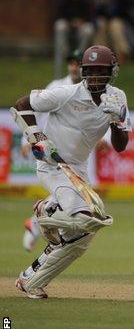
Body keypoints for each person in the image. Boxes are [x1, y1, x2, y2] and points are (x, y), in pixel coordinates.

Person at [13, 45, 131, 299]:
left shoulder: (118, 98)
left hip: (77, 170)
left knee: (82, 237)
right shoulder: (66, 93)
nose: (97, 78)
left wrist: (116, 121)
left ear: (112, 72)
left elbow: (121, 146)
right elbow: (22, 104)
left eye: (102, 72)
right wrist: (37, 137)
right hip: (52, 165)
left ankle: (31, 279)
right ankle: (46, 211)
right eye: (92, 72)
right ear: (83, 72)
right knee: (86, 219)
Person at [21, 50, 84, 252]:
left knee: (78, 194)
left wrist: (106, 140)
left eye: (78, 63)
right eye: (71, 63)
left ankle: (36, 222)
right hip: (54, 147)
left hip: (80, 150)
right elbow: (35, 112)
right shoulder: (57, 86)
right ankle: (41, 222)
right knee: (70, 194)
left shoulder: (90, 90)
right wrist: (28, 138)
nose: (74, 67)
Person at [53, 0, 95, 78]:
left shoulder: (84, 1)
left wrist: (81, 22)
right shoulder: (63, 1)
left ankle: (78, 56)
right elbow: (58, 16)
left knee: (89, 29)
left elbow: (90, 17)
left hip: (80, 30)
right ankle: (64, 54)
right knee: (60, 26)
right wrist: (70, 23)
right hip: (67, 29)